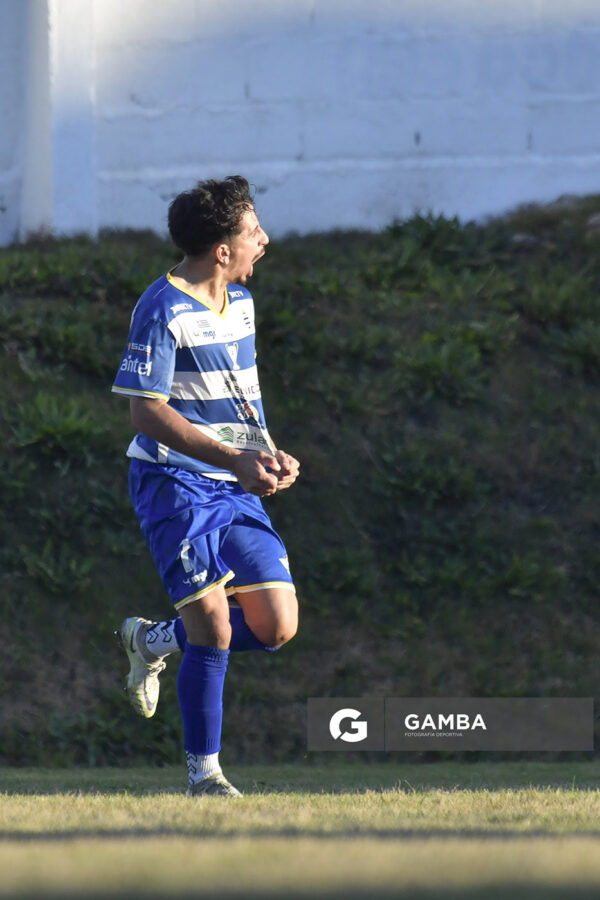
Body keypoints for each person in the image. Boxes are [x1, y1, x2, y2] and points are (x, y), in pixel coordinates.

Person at [112, 176, 299, 797]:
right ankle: (205, 775)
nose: (263, 240)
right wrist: (230, 458)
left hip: (235, 480)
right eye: (252, 232)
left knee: (276, 625)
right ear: (222, 249)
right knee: (215, 629)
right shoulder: (161, 307)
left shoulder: (240, 302)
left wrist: (265, 455)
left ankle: (151, 638)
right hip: (174, 483)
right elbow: (147, 411)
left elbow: (239, 396)